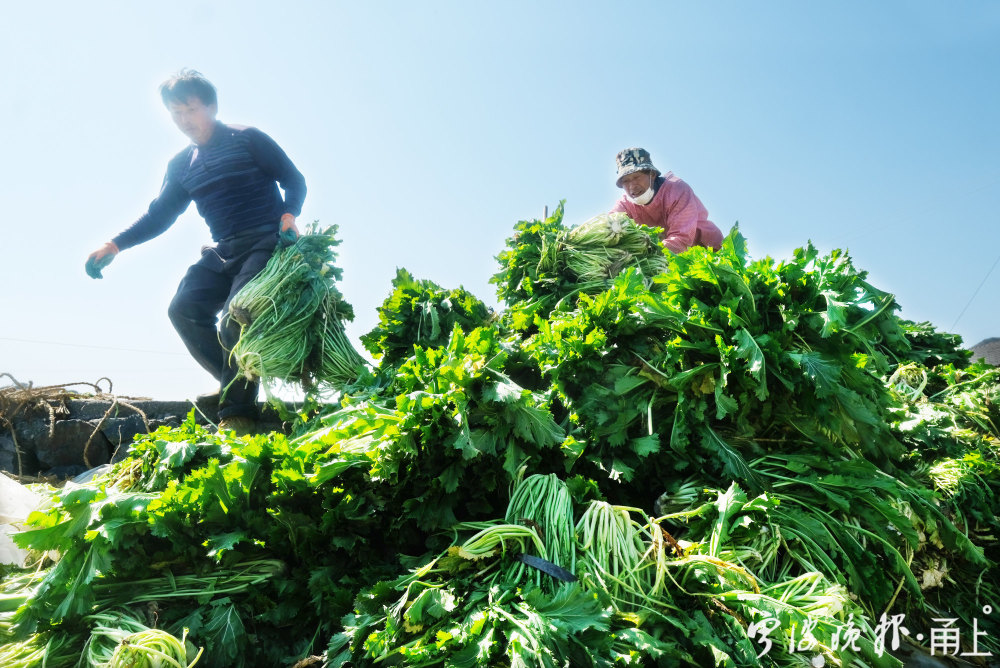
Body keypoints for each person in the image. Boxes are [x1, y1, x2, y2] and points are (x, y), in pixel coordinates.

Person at [85, 69, 306, 435]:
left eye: (190, 109)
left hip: (266, 242)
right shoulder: (181, 165)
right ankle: (233, 382)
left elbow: (293, 179)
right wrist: (115, 244)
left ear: (212, 106)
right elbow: (160, 215)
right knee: (183, 309)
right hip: (224, 250)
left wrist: (289, 213)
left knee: (235, 315)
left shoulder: (248, 139)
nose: (184, 120)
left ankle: (237, 412)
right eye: (176, 114)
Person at [610, 147, 723, 253]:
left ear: (652, 174)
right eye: (625, 181)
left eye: (636, 177)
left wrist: (644, 255)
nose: (632, 186)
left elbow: (681, 240)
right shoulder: (625, 206)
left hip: (708, 251)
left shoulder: (676, 190)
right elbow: (608, 226)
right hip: (665, 260)